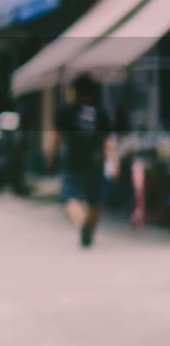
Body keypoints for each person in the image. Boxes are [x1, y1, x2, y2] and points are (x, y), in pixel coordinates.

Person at [49, 73, 114, 247]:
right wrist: (114, 162)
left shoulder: (66, 110)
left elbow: (57, 137)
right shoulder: (101, 113)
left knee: (70, 197)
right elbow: (107, 141)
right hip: (96, 162)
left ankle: (82, 223)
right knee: (95, 201)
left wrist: (50, 157)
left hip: (73, 161)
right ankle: (89, 233)